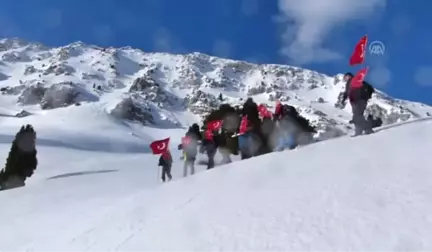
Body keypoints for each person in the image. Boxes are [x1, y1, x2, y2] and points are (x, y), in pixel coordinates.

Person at [340, 72, 374, 136]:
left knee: (357, 116)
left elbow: (347, 92)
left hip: (357, 101)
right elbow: (371, 88)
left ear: (348, 76)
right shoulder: (359, 81)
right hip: (362, 101)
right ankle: (359, 131)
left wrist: (343, 99)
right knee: (358, 116)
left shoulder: (350, 81)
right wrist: (367, 96)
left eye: (345, 77)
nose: (345, 79)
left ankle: (367, 129)